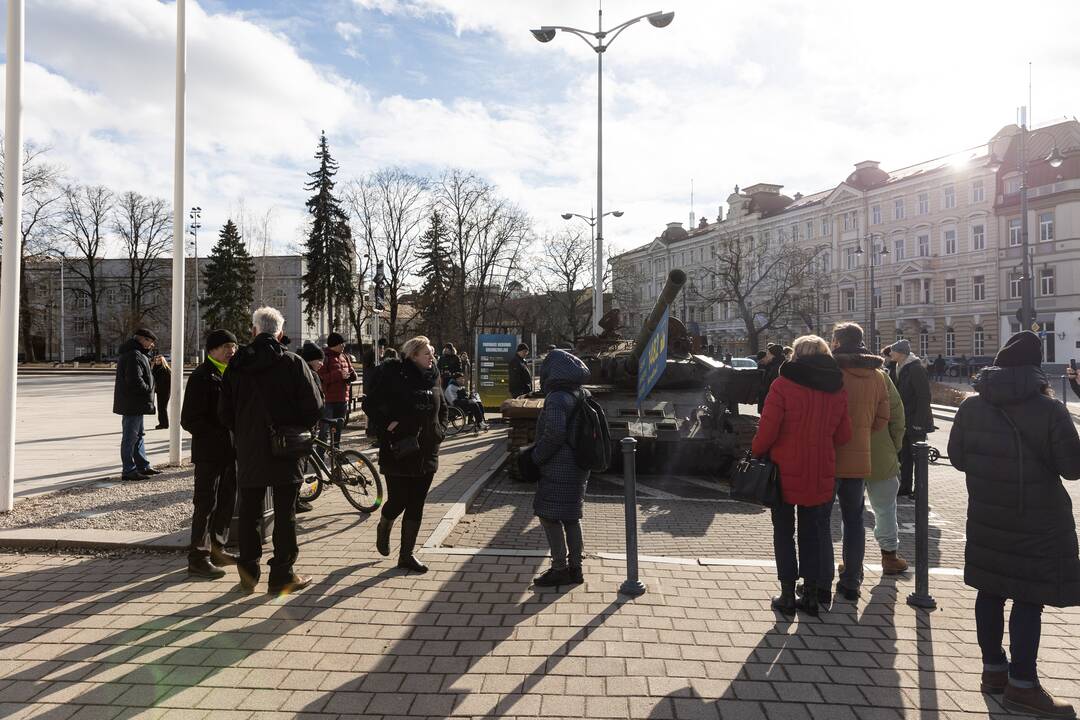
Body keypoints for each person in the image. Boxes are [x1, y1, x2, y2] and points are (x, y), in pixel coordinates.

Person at [948, 331, 1080, 718]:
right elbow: (1072, 468)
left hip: (988, 515)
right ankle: (1023, 685)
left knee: (989, 591)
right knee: (1027, 597)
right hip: (1038, 520)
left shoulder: (972, 406)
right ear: (1036, 369)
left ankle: (993, 672)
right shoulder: (1049, 410)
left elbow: (956, 457)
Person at [218, 307, 323, 595]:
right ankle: (282, 575)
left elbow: (224, 412)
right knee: (285, 513)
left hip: (250, 448)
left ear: (253, 330)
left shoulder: (236, 366)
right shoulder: (293, 362)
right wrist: (295, 426)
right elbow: (314, 407)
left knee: (250, 511)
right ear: (279, 332)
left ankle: (248, 574)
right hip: (287, 449)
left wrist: (244, 432)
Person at [751, 335, 851, 617]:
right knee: (812, 533)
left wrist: (756, 451)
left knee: (784, 532)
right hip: (820, 470)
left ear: (795, 355)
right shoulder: (837, 389)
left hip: (783, 471)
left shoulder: (782, 385)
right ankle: (809, 594)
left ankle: (785, 594)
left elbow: (768, 430)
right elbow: (844, 435)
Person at [363, 336, 448, 574]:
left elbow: (443, 407)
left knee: (417, 503)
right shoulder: (395, 376)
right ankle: (385, 523)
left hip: (428, 451)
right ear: (413, 355)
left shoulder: (433, 377)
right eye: (426, 354)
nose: (431, 357)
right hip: (399, 450)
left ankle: (406, 555)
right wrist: (388, 425)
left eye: (432, 353)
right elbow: (371, 404)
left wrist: (440, 431)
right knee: (398, 500)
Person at [823, 322, 890, 603]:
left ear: (837, 342)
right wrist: (860, 434)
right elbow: (883, 418)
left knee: (821, 521)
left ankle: (821, 581)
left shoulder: (830, 371)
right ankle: (852, 581)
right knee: (854, 521)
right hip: (859, 458)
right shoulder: (877, 375)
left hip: (828, 456)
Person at [179, 329, 240, 579]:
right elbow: (189, 419)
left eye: (234, 346)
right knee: (205, 503)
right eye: (226, 346)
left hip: (232, 452)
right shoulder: (202, 377)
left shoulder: (234, 374)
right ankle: (198, 557)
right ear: (212, 349)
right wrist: (217, 435)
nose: (231, 351)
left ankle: (218, 548)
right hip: (209, 452)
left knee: (226, 502)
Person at [531, 349, 593, 587]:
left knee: (548, 516)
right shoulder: (582, 393)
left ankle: (559, 569)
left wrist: (537, 456)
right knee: (571, 517)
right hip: (578, 465)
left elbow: (555, 434)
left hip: (558, 466)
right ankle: (576, 569)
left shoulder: (557, 398)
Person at [867, 363, 909, 575]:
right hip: (881, 451)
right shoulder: (880, 376)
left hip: (843, 454)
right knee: (885, 509)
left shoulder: (835, 375)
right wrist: (894, 445)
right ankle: (889, 556)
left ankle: (850, 561)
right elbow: (897, 414)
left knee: (850, 512)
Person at [113, 327, 162, 481]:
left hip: (134, 403)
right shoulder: (134, 354)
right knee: (130, 437)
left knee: (138, 435)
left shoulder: (137, 353)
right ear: (141, 339)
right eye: (150, 341)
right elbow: (134, 380)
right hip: (132, 403)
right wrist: (148, 389)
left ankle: (143, 466)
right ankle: (128, 470)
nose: (152, 345)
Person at [889, 339, 933, 498]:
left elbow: (924, 396)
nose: (890, 353)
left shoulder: (915, 369)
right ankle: (905, 486)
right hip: (904, 419)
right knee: (905, 456)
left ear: (901, 353)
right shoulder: (898, 367)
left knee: (918, 457)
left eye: (893, 350)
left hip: (915, 420)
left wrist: (919, 423)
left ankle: (920, 490)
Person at [296, 341, 326, 514]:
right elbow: (315, 401)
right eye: (319, 360)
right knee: (301, 463)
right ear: (310, 360)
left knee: (302, 463)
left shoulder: (305, 370)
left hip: (305, 424)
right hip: (307, 425)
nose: (321, 363)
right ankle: (296, 500)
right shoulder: (310, 373)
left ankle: (297, 499)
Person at [317, 332, 356, 452]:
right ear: (334, 345)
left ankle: (337, 454)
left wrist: (350, 376)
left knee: (338, 429)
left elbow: (353, 374)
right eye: (341, 343)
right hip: (328, 400)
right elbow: (321, 378)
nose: (343, 345)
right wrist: (338, 374)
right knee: (324, 430)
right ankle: (320, 455)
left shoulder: (345, 356)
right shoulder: (325, 357)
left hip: (342, 399)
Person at [756, 344, 784, 413]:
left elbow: (772, 386)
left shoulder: (776, 367)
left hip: (772, 402)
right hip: (769, 400)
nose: (767, 355)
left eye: (768, 354)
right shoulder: (770, 366)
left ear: (773, 355)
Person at [151, 353, 171, 429]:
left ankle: (164, 424)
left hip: (164, 392)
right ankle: (163, 423)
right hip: (160, 391)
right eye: (156, 360)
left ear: (162, 361)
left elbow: (165, 382)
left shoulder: (165, 369)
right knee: (161, 408)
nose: (157, 361)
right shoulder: (156, 368)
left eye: (159, 360)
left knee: (162, 408)